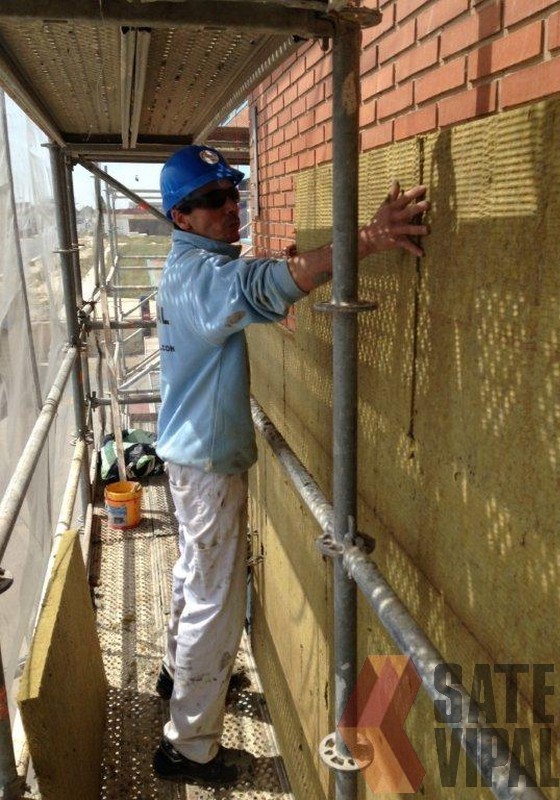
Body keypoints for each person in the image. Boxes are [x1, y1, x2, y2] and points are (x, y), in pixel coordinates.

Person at [152, 143, 430, 787]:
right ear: (180, 217)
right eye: (211, 200)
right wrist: (370, 239)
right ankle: (188, 746)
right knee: (216, 601)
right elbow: (260, 285)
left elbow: (251, 280)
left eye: (232, 193)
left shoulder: (190, 268)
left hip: (191, 458)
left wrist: (284, 267)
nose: (230, 206)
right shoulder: (202, 278)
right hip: (207, 465)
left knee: (195, 576)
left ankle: (177, 675)